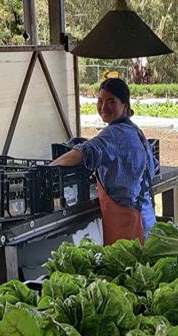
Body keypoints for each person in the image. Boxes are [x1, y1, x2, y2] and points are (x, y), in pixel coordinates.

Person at [49, 78, 158, 245]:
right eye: (100, 100)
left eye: (111, 101)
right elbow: (153, 166)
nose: (104, 107)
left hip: (128, 225)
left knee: (129, 268)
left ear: (125, 106)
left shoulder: (114, 133)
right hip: (146, 217)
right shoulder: (135, 130)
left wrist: (47, 169)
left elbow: (83, 152)